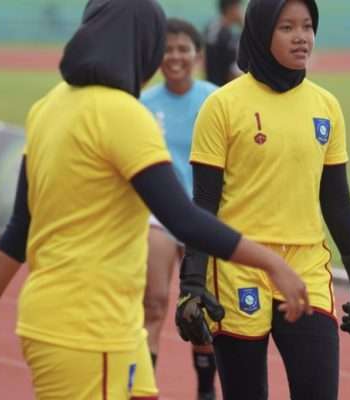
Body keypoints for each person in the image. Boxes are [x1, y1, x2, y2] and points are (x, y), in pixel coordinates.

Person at [0, 1, 311, 399]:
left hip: (105, 325)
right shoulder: (125, 115)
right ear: (143, 46)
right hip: (88, 329)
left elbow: (18, 231)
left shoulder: (48, 106)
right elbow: (181, 218)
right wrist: (271, 262)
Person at [174, 1, 350, 399]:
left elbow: (336, 200)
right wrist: (192, 282)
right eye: (287, 27)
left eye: (307, 26)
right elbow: (203, 202)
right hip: (237, 269)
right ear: (261, 31)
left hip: (306, 268)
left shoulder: (326, 106)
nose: (301, 36)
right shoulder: (222, 105)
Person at [139, 18, 219, 400]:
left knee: (199, 307)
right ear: (157, 55)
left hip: (202, 215)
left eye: (183, 49)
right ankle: (144, 388)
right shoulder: (142, 103)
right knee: (153, 302)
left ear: (197, 55)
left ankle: (205, 390)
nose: (175, 56)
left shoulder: (214, 99)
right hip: (158, 216)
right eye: (167, 49)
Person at [204, 0, 244, 86]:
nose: (242, 11)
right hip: (219, 85)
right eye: (239, 7)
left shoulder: (214, 27)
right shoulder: (221, 33)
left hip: (215, 83)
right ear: (232, 8)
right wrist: (244, 26)